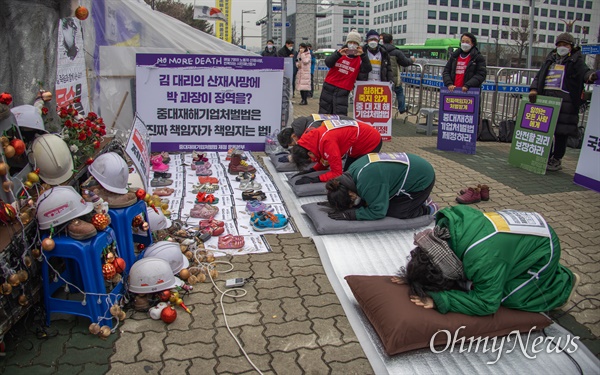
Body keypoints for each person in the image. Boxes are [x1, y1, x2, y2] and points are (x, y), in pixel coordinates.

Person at [394, 205, 580, 316]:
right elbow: (429, 262)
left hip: (543, 248)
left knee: (508, 298)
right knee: (476, 281)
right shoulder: (443, 231)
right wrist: (414, 276)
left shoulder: (482, 259)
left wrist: (441, 299)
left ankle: (562, 283)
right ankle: (523, 270)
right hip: (512, 243)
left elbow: (487, 304)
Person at [529, 32, 597, 172]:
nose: (562, 47)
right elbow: (540, 76)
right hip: (547, 99)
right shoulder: (551, 59)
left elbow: (584, 72)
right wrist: (534, 89)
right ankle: (544, 156)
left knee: (561, 132)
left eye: (565, 45)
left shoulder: (576, 60)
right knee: (544, 130)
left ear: (571, 46)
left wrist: (591, 76)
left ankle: (556, 158)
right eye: (559, 44)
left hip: (566, 101)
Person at [325, 153, 438, 221]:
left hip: (422, 179)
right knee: (374, 201)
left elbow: (378, 212)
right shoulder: (352, 174)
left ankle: (430, 208)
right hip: (413, 168)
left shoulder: (369, 182)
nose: (353, 205)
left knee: (396, 212)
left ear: (351, 194)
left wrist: (352, 214)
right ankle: (418, 200)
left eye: (351, 202)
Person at [290, 119, 382, 183]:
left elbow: (337, 173)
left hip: (370, 141)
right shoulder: (312, 139)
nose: (313, 161)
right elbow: (325, 161)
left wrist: (316, 179)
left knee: (353, 177)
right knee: (347, 173)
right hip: (356, 142)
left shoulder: (328, 143)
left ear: (309, 153)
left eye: (310, 160)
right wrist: (311, 170)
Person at [318, 30, 372, 116]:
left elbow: (367, 69)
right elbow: (328, 62)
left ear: (358, 45)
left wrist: (363, 55)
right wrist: (338, 54)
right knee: (324, 112)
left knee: (340, 114)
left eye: (355, 43)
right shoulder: (340, 52)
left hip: (343, 88)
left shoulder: (360, 58)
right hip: (329, 85)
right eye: (350, 42)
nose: (352, 44)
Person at [380, 33, 416, 114]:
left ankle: (382, 111)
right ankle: (401, 108)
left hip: (382, 77)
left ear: (383, 41)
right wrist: (412, 60)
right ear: (391, 41)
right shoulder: (396, 52)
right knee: (399, 92)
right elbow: (405, 62)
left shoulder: (379, 50)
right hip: (394, 78)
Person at [277, 114, 353, 149]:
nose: (295, 146)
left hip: (351, 130)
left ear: (293, 136)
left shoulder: (312, 129)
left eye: (293, 144)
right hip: (348, 127)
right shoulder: (305, 123)